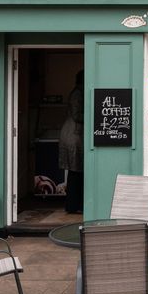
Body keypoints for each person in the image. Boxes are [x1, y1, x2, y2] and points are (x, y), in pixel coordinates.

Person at [59, 71, 84, 214]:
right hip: (74, 137)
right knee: (76, 171)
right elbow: (76, 115)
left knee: (77, 172)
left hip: (75, 135)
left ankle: (74, 205)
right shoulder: (77, 94)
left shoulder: (78, 92)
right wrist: (94, 114)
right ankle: (74, 206)